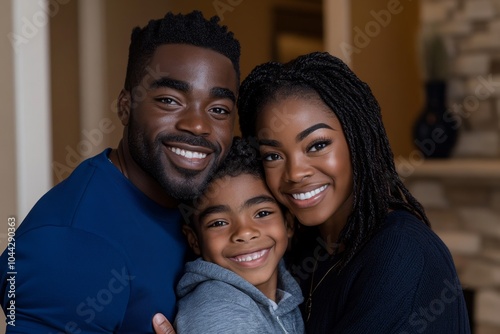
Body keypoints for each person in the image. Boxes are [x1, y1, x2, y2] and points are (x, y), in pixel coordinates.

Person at [0, 10, 240, 333]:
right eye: (170, 100)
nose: (198, 125)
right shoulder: (71, 245)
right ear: (126, 106)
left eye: (219, 110)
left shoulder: (206, 202)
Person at [236, 52, 472, 333]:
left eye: (317, 145)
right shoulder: (302, 248)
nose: (295, 173)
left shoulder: (402, 252)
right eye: (273, 155)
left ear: (357, 139)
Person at [173, 137, 304, 333]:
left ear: (288, 222)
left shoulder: (285, 288)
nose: (244, 232)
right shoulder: (219, 311)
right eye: (219, 223)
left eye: (262, 213)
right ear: (194, 240)